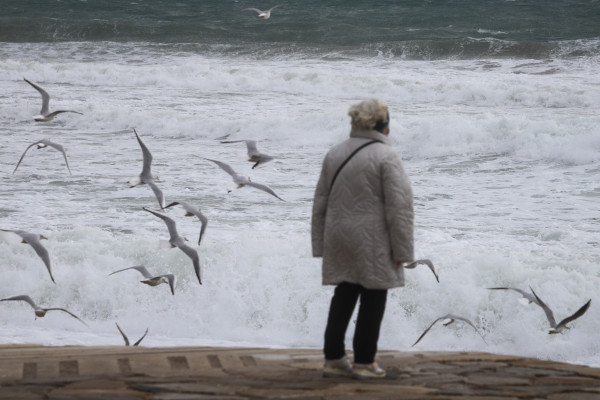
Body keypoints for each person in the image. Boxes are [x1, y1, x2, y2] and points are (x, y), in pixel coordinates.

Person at [311, 98, 414, 379]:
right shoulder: (386, 156)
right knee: (374, 295)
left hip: (339, 234)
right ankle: (365, 363)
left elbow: (320, 200)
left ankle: (333, 359)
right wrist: (402, 250)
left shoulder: (335, 153)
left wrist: (320, 243)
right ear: (384, 125)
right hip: (373, 238)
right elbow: (399, 207)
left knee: (344, 292)